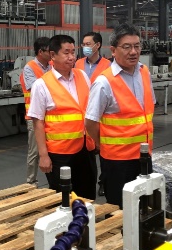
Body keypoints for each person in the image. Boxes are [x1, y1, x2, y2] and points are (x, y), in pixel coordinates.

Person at [85, 24, 156, 208]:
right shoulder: (104, 82)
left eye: (137, 46)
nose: (133, 51)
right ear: (113, 50)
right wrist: (103, 143)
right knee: (120, 209)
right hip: (117, 161)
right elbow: (90, 122)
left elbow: (147, 109)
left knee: (144, 206)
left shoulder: (144, 72)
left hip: (144, 155)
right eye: (127, 47)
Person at [27, 35, 97, 199]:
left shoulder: (82, 76)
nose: (71, 57)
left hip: (86, 149)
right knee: (63, 198)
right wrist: (43, 156)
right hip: (60, 154)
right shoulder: (41, 85)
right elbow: (38, 122)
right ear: (53, 55)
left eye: (73, 52)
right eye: (66, 53)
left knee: (87, 196)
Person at [76, 31, 111, 196]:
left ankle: (103, 181)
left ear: (97, 45)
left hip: (102, 112)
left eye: (88, 44)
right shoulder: (78, 64)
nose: (85, 47)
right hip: (83, 111)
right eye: (83, 44)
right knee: (87, 149)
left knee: (102, 147)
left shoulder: (108, 65)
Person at [20, 37, 51, 185]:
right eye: (49, 51)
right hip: (34, 116)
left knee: (52, 150)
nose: (52, 53)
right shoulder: (29, 68)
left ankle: (54, 180)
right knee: (35, 151)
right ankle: (30, 182)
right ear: (40, 52)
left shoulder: (51, 66)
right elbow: (35, 89)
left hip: (51, 116)